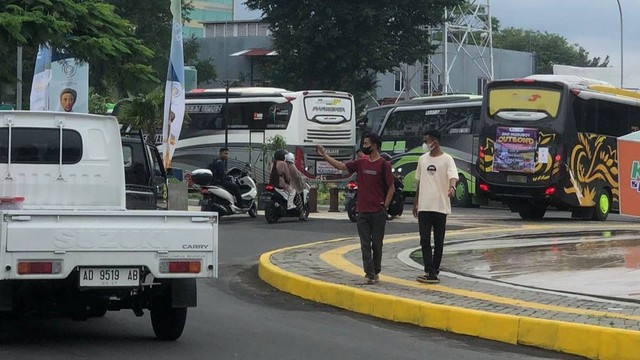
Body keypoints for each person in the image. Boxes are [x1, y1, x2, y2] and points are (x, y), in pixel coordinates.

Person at [317, 133, 395, 285]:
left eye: (366, 144)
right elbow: (341, 167)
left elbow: (391, 187)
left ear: (374, 146)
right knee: (365, 243)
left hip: (378, 212)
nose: (364, 146)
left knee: (377, 244)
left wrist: (385, 206)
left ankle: (376, 270)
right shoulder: (360, 163)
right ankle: (369, 273)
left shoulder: (384, 165)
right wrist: (324, 155)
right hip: (363, 211)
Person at [412, 129, 458, 284]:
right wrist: (415, 202)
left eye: (427, 141)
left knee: (439, 241)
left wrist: (452, 188)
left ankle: (434, 271)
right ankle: (429, 270)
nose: (425, 144)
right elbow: (419, 181)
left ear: (435, 142)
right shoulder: (422, 160)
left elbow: (453, 177)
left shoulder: (447, 159)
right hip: (424, 206)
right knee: (424, 240)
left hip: (440, 206)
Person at [284, 152, 307, 220]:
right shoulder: (292, 167)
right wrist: (302, 181)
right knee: (298, 197)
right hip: (290, 185)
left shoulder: (283, 165)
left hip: (282, 184)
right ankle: (301, 214)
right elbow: (297, 176)